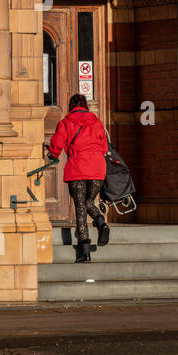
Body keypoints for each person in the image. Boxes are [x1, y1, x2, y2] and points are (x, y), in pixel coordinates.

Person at [47, 93, 110, 263]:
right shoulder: (96, 121)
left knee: (80, 207)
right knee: (90, 202)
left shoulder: (66, 122)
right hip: (97, 167)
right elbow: (104, 147)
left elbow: (56, 147)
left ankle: (84, 250)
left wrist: (51, 154)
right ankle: (101, 222)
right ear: (85, 106)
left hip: (78, 167)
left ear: (71, 106)